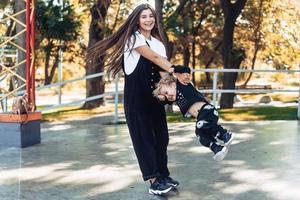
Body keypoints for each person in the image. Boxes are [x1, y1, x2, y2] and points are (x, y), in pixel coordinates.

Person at [87, 4, 190, 195]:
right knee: (145, 141)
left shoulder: (159, 42)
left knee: (161, 138)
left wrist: (176, 85)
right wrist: (177, 70)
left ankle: (163, 175)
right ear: (137, 20)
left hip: (154, 100)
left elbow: (162, 72)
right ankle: (153, 181)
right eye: (144, 16)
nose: (148, 19)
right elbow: (153, 58)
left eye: (151, 16)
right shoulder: (134, 39)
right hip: (137, 101)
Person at [153, 75, 234, 161]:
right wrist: (161, 97)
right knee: (199, 134)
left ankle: (225, 134)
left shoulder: (183, 86)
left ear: (173, 85)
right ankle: (217, 148)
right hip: (202, 117)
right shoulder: (176, 98)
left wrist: (174, 69)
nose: (167, 96)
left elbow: (183, 72)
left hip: (208, 110)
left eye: (166, 92)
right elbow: (164, 102)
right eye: (165, 95)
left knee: (201, 125)